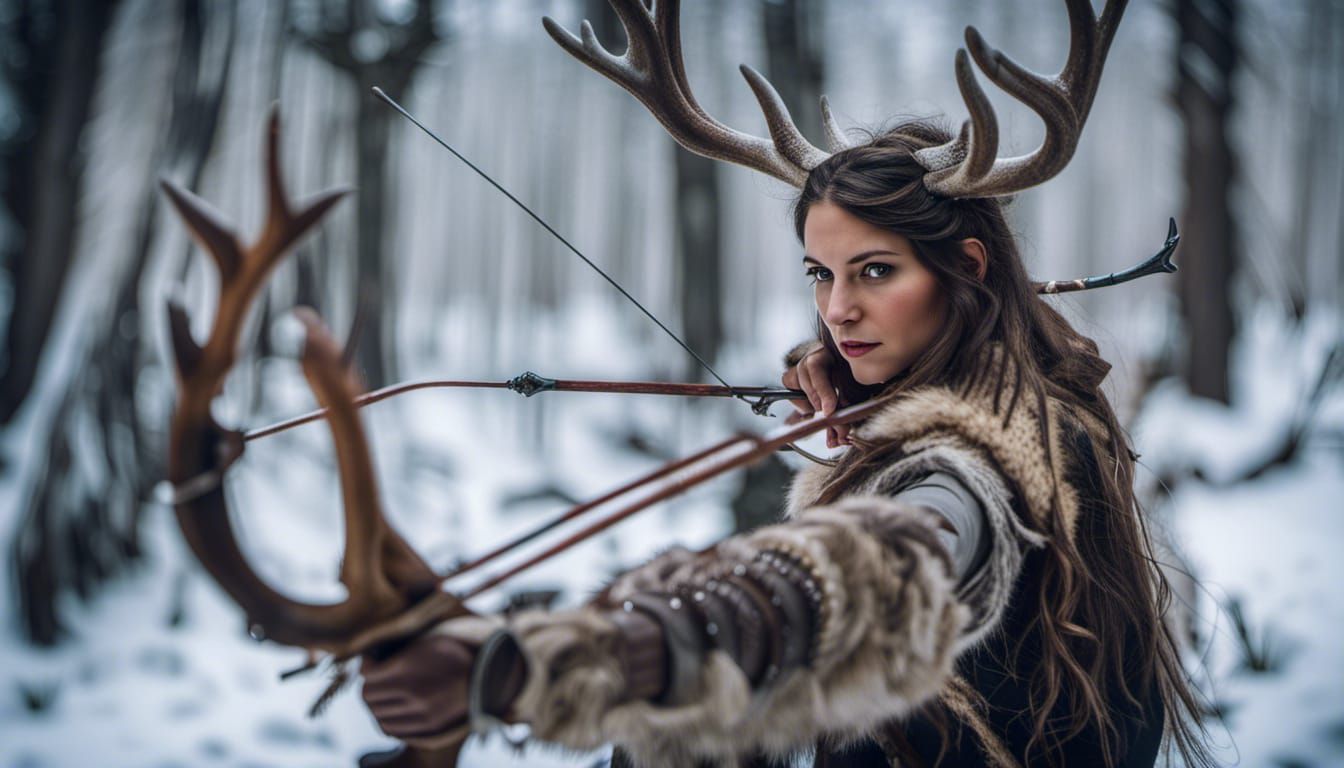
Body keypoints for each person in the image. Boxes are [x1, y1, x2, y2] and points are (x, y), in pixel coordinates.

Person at [361, 4, 1215, 766]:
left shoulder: (987, 459)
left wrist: (547, 665)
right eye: (820, 274)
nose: (837, 310)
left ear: (968, 269)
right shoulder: (1039, 384)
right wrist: (857, 373)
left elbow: (875, 567)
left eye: (874, 272)